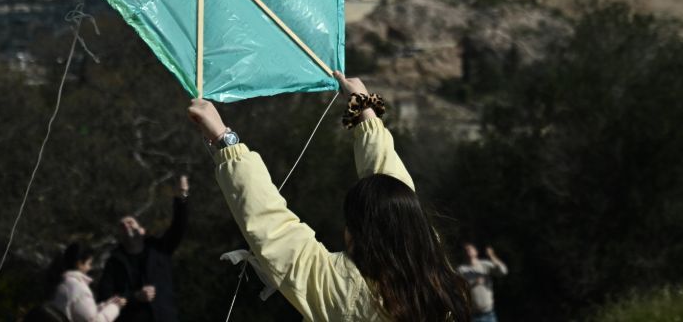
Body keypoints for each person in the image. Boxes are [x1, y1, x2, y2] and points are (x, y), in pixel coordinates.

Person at [186, 72, 470, 322]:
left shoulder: (344, 289)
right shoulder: (437, 279)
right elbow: (390, 189)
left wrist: (225, 140)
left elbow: (275, 230)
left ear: (359, 234)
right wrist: (363, 108)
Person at [94, 176, 189, 322]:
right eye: (122, 226)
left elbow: (179, 227)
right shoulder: (114, 263)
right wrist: (135, 297)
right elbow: (105, 298)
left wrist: (181, 197)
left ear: (142, 230)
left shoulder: (159, 249)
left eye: (131, 223)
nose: (127, 227)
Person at [47, 243, 127, 321]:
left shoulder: (62, 284)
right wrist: (115, 307)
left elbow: (83, 313)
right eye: (89, 264)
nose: (90, 268)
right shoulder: (79, 288)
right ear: (79, 264)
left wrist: (107, 305)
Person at [457, 243, 508, 322]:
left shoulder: (485, 265)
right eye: (466, 250)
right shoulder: (462, 270)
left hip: (489, 314)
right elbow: (458, 289)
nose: (468, 250)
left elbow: (503, 271)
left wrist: (492, 256)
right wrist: (474, 283)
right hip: (474, 315)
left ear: (476, 252)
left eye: (470, 248)